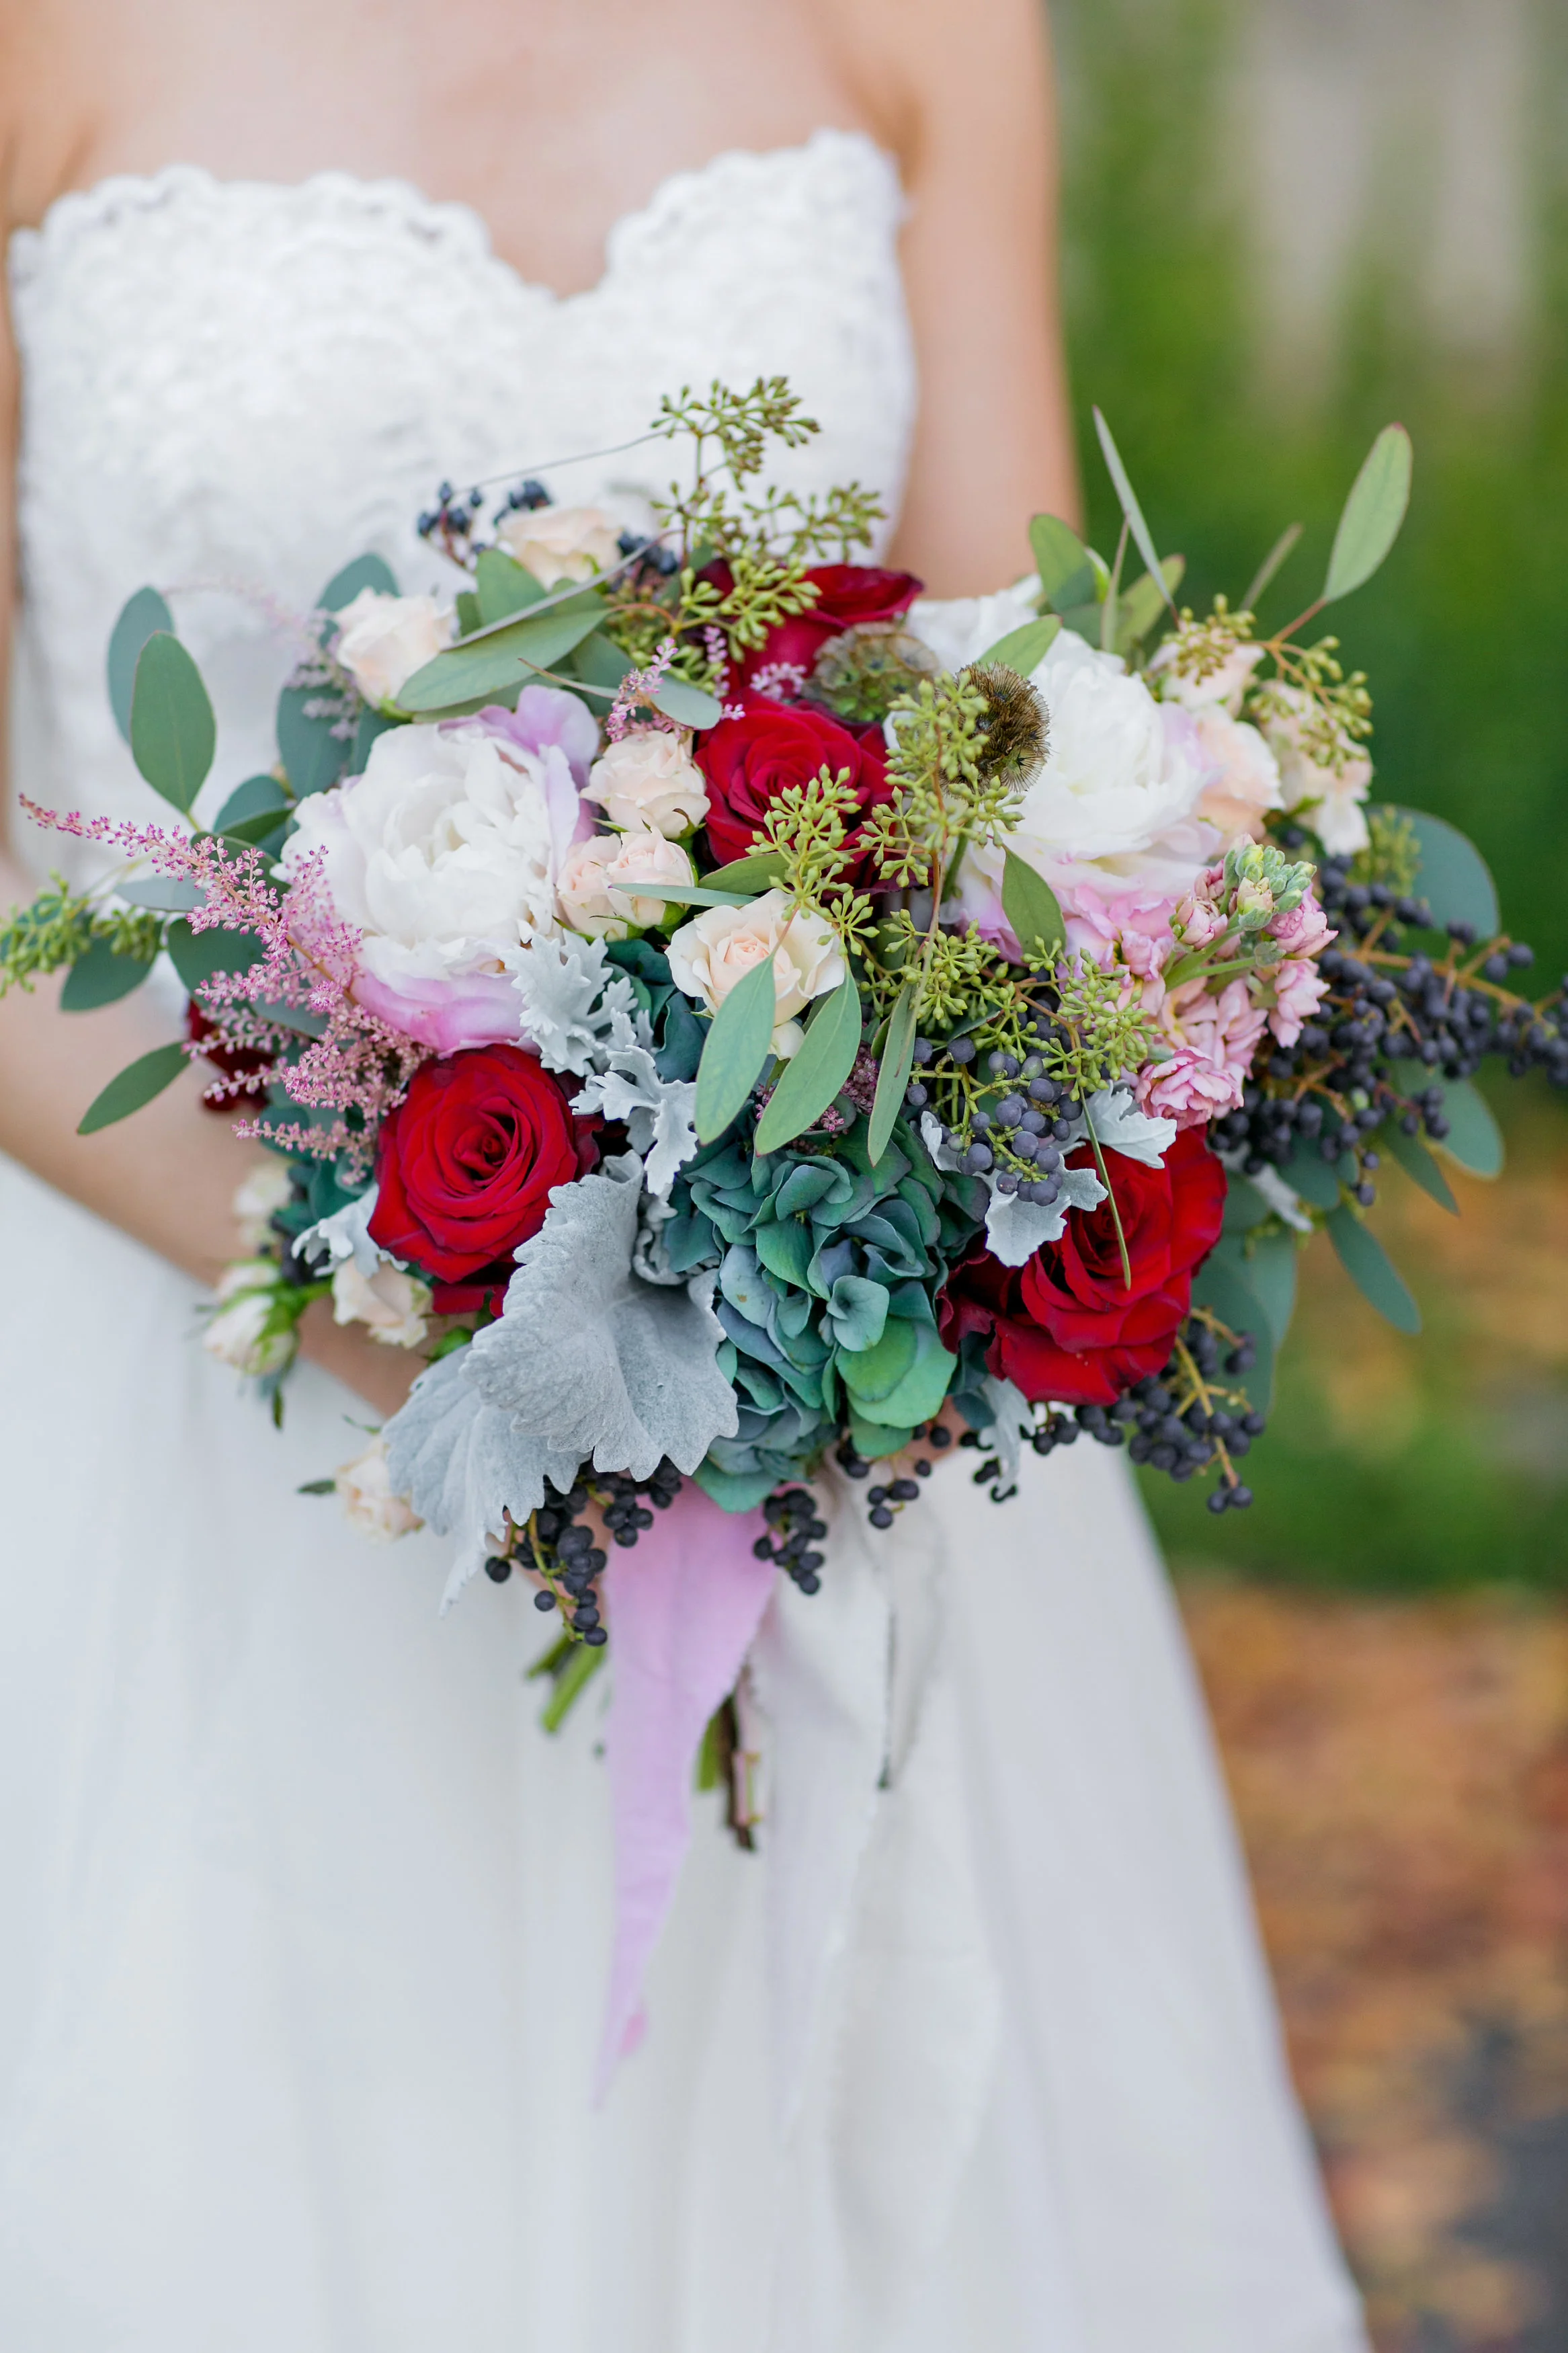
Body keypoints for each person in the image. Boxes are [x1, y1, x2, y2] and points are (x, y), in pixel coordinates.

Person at [0, 1, 1369, 2344]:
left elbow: (1010, 713)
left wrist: (896, 1200)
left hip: (813, 1390)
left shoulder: (930, 27)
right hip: (190, 1367)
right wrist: (420, 1307)